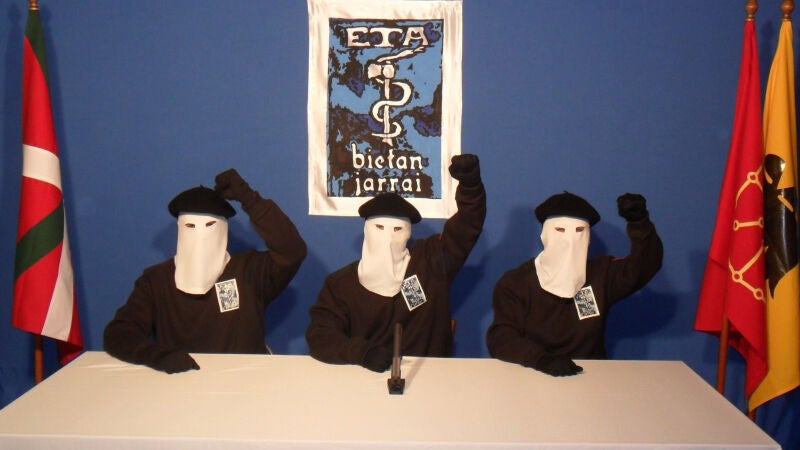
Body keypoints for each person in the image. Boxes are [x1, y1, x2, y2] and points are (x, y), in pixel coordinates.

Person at [103, 169, 307, 373]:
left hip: (245, 379)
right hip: (183, 378)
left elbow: (292, 251)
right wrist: (157, 356)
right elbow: (119, 333)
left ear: (223, 228)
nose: (200, 236)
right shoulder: (156, 281)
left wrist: (250, 199)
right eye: (190, 226)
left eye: (209, 225)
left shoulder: (249, 272)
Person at [306, 154, 486, 372]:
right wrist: (361, 352)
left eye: (398, 229)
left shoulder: (431, 262)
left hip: (430, 378)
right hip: (364, 378)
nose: (389, 238)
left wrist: (470, 186)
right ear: (367, 231)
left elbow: (466, 227)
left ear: (408, 234)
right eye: (379, 228)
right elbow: (320, 335)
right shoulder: (341, 286)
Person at [486, 191, 663, 376]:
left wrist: (639, 224)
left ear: (588, 237)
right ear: (545, 234)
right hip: (532, 374)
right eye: (560, 230)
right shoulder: (516, 283)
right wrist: (541, 359)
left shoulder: (602, 274)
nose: (570, 241)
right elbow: (501, 336)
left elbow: (643, 266)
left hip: (589, 376)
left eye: (579, 231)